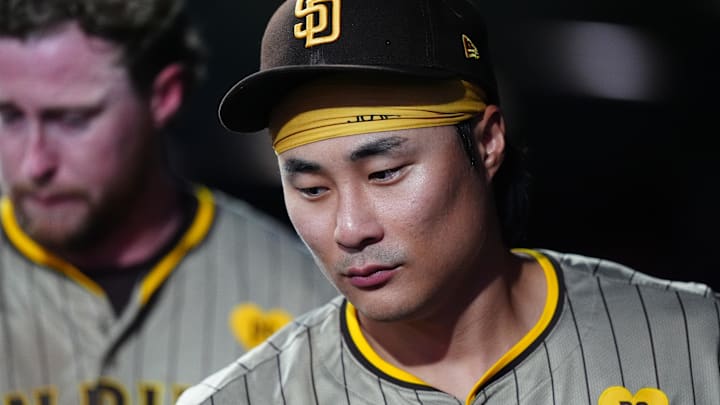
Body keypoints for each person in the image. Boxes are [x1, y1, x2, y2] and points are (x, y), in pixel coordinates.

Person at [178, 0, 720, 404]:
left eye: (385, 173)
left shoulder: (694, 342)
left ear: (487, 142)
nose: (349, 228)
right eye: (311, 188)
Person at [0, 1, 340, 404]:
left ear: (164, 95)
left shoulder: (304, 296)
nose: (34, 162)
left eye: (73, 119)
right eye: (9, 117)